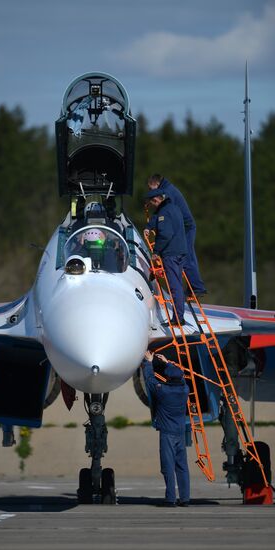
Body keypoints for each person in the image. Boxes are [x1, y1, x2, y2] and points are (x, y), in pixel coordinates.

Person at [142, 349, 190, 507]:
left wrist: (149, 362)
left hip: (167, 435)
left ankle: (170, 499)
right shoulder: (184, 390)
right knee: (182, 467)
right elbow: (179, 377)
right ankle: (185, 499)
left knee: (168, 467)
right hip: (180, 433)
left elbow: (149, 380)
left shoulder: (164, 391)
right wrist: (167, 363)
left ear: (169, 377)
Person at [147, 174, 206, 296]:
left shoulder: (167, 192)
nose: (151, 193)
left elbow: (163, 211)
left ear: (157, 184)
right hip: (182, 226)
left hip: (186, 227)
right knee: (185, 255)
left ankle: (197, 287)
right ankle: (193, 286)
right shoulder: (167, 189)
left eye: (151, 189)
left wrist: (152, 226)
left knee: (186, 256)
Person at [144, 189, 187, 325]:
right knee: (178, 284)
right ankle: (179, 316)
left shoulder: (164, 212)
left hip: (171, 254)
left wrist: (156, 251)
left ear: (156, 200)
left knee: (175, 287)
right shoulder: (173, 208)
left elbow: (166, 234)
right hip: (180, 251)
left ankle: (178, 319)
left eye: (152, 202)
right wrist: (149, 226)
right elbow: (157, 218)